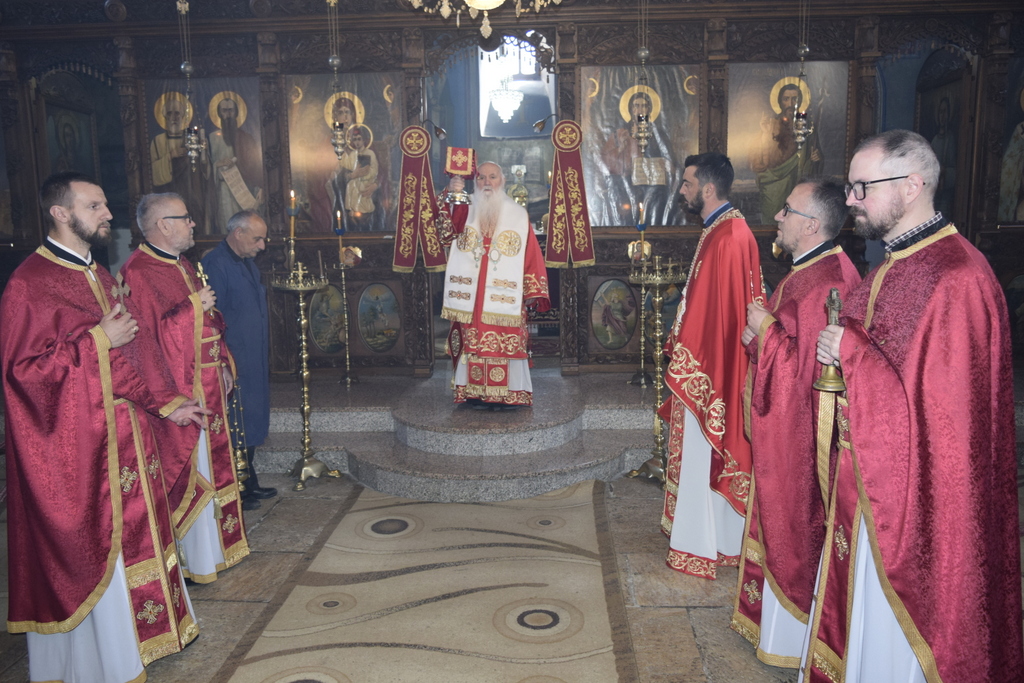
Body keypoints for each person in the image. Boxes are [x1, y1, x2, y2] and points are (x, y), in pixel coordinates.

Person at [809, 130, 1022, 682]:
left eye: (862, 187)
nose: (850, 200)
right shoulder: (894, 264)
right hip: (872, 481)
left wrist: (850, 352)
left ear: (912, 185)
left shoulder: (958, 277)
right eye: (850, 186)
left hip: (923, 503)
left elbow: (945, 420)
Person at [0, 172, 210, 681]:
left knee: (142, 537)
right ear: (60, 213)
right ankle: (106, 659)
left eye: (105, 205)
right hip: (82, 447)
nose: (108, 215)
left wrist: (166, 405)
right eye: (94, 206)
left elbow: (131, 353)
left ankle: (148, 638)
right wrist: (97, 339)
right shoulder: (30, 283)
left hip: (128, 436)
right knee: (98, 548)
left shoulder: (97, 273)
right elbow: (22, 375)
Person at [730, 178, 861, 667]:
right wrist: (761, 334)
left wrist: (763, 329)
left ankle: (793, 634)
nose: (778, 217)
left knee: (796, 526)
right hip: (788, 429)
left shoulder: (828, 282)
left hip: (804, 440)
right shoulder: (808, 269)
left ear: (811, 224)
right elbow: (788, 346)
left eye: (787, 210)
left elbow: (808, 376)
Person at [120, 192, 251, 582]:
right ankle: (199, 559)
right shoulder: (138, 272)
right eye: (185, 218)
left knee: (218, 463)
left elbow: (209, 320)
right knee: (196, 469)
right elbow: (143, 343)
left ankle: (221, 548)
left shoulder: (184, 264)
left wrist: (222, 360)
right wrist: (193, 306)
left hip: (209, 382)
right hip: (181, 390)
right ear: (164, 225)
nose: (193, 224)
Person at [660, 152, 765, 579]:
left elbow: (721, 320)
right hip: (707, 361)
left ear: (707, 188)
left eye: (687, 183)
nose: (682, 190)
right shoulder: (719, 230)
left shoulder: (730, 236)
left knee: (705, 453)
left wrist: (688, 357)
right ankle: (714, 540)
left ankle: (704, 542)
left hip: (713, 367)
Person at [440, 161, 550, 409]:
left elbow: (531, 253)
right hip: (472, 290)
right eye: (481, 177)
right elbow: (444, 232)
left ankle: (509, 394)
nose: (487, 182)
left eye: (493, 177)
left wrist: (533, 290)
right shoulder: (463, 207)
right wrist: (451, 194)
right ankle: (473, 393)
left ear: (503, 181)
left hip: (505, 291)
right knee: (473, 339)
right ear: (474, 181)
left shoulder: (517, 214)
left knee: (505, 339)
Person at [200, 209, 278, 509]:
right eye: (257, 239)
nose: (262, 246)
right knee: (235, 421)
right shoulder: (215, 264)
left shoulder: (247, 263)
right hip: (234, 358)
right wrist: (222, 360)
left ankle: (249, 480)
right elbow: (212, 317)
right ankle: (236, 488)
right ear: (238, 233)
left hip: (253, 357)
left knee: (251, 419)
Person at [749, 83, 822, 223]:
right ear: (780, 101)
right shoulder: (770, 124)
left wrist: (816, 159)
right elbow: (757, 161)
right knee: (772, 222)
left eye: (795, 99)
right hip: (773, 187)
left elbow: (815, 155)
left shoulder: (807, 127)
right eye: (786, 99)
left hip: (797, 184)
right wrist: (765, 134)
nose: (790, 103)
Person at [151, 93, 209, 231]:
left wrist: (204, 153)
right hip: (169, 191)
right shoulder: (158, 141)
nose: (174, 117)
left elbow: (205, 169)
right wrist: (170, 156)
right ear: (164, 116)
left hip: (193, 190)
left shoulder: (192, 138)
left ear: (183, 116)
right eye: (169, 113)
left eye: (177, 113)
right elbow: (152, 172)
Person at [209, 95, 264, 233]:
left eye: (231, 110)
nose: (228, 114)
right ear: (219, 114)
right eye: (224, 110)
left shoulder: (246, 138)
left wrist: (260, 187)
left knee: (244, 226)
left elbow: (255, 166)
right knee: (227, 227)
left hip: (243, 189)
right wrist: (217, 164)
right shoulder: (212, 139)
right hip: (223, 192)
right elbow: (206, 168)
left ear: (237, 113)